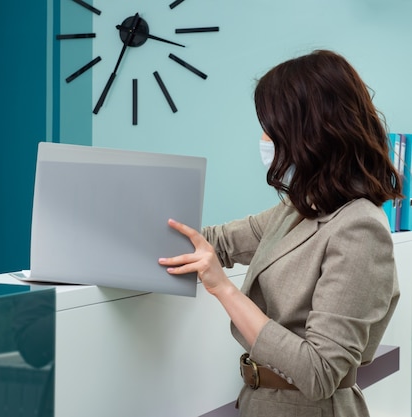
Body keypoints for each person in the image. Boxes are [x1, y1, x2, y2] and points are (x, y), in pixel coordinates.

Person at [159, 50, 401, 416]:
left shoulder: (360, 228)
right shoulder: (298, 209)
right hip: (261, 401)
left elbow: (320, 373)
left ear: (311, 133)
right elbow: (216, 242)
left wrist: (222, 288)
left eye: (272, 129)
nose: (264, 139)